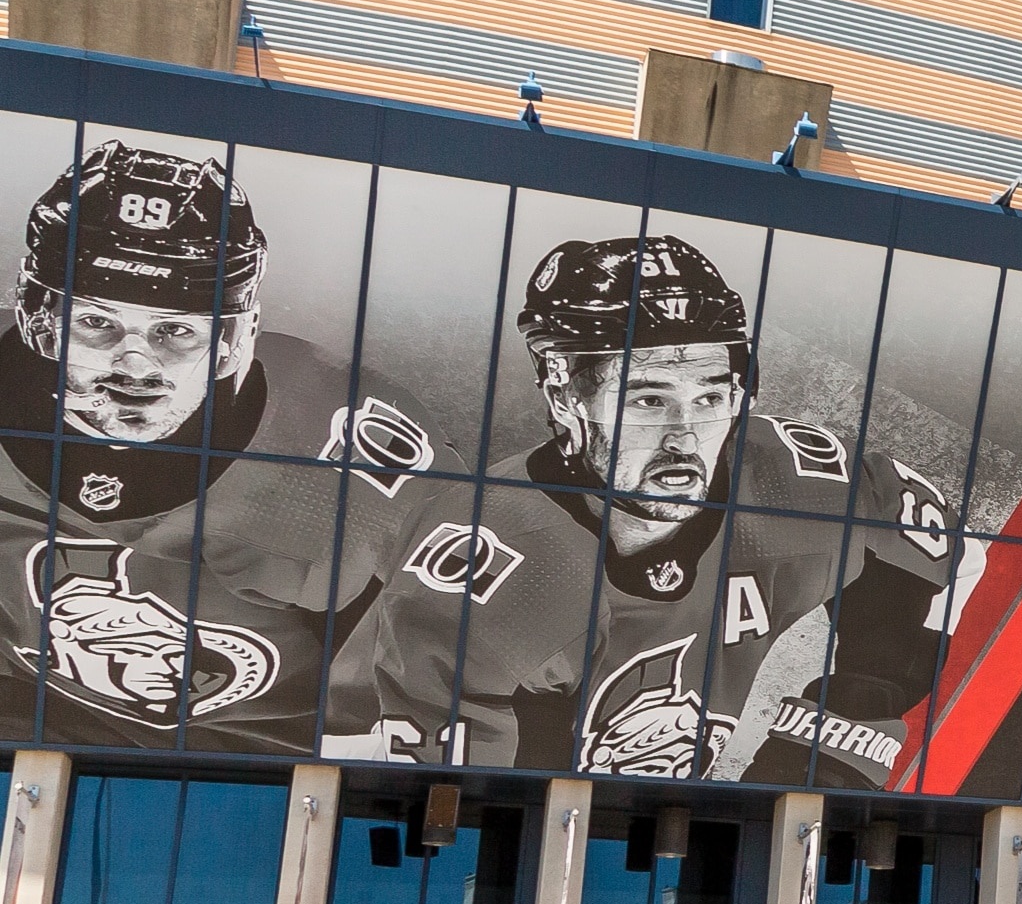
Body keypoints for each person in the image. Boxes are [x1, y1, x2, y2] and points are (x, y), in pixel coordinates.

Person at [328, 233, 953, 779]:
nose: (685, 438)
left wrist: (830, 749)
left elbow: (922, 550)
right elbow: (483, 818)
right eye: (648, 401)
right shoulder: (489, 576)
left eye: (710, 397)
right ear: (566, 395)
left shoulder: (797, 485)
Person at [2, 142, 436, 752]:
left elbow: (420, 682)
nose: (135, 365)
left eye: (175, 331)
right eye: (97, 323)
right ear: (39, 315)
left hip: (252, 762)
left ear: (234, 336)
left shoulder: (340, 439)